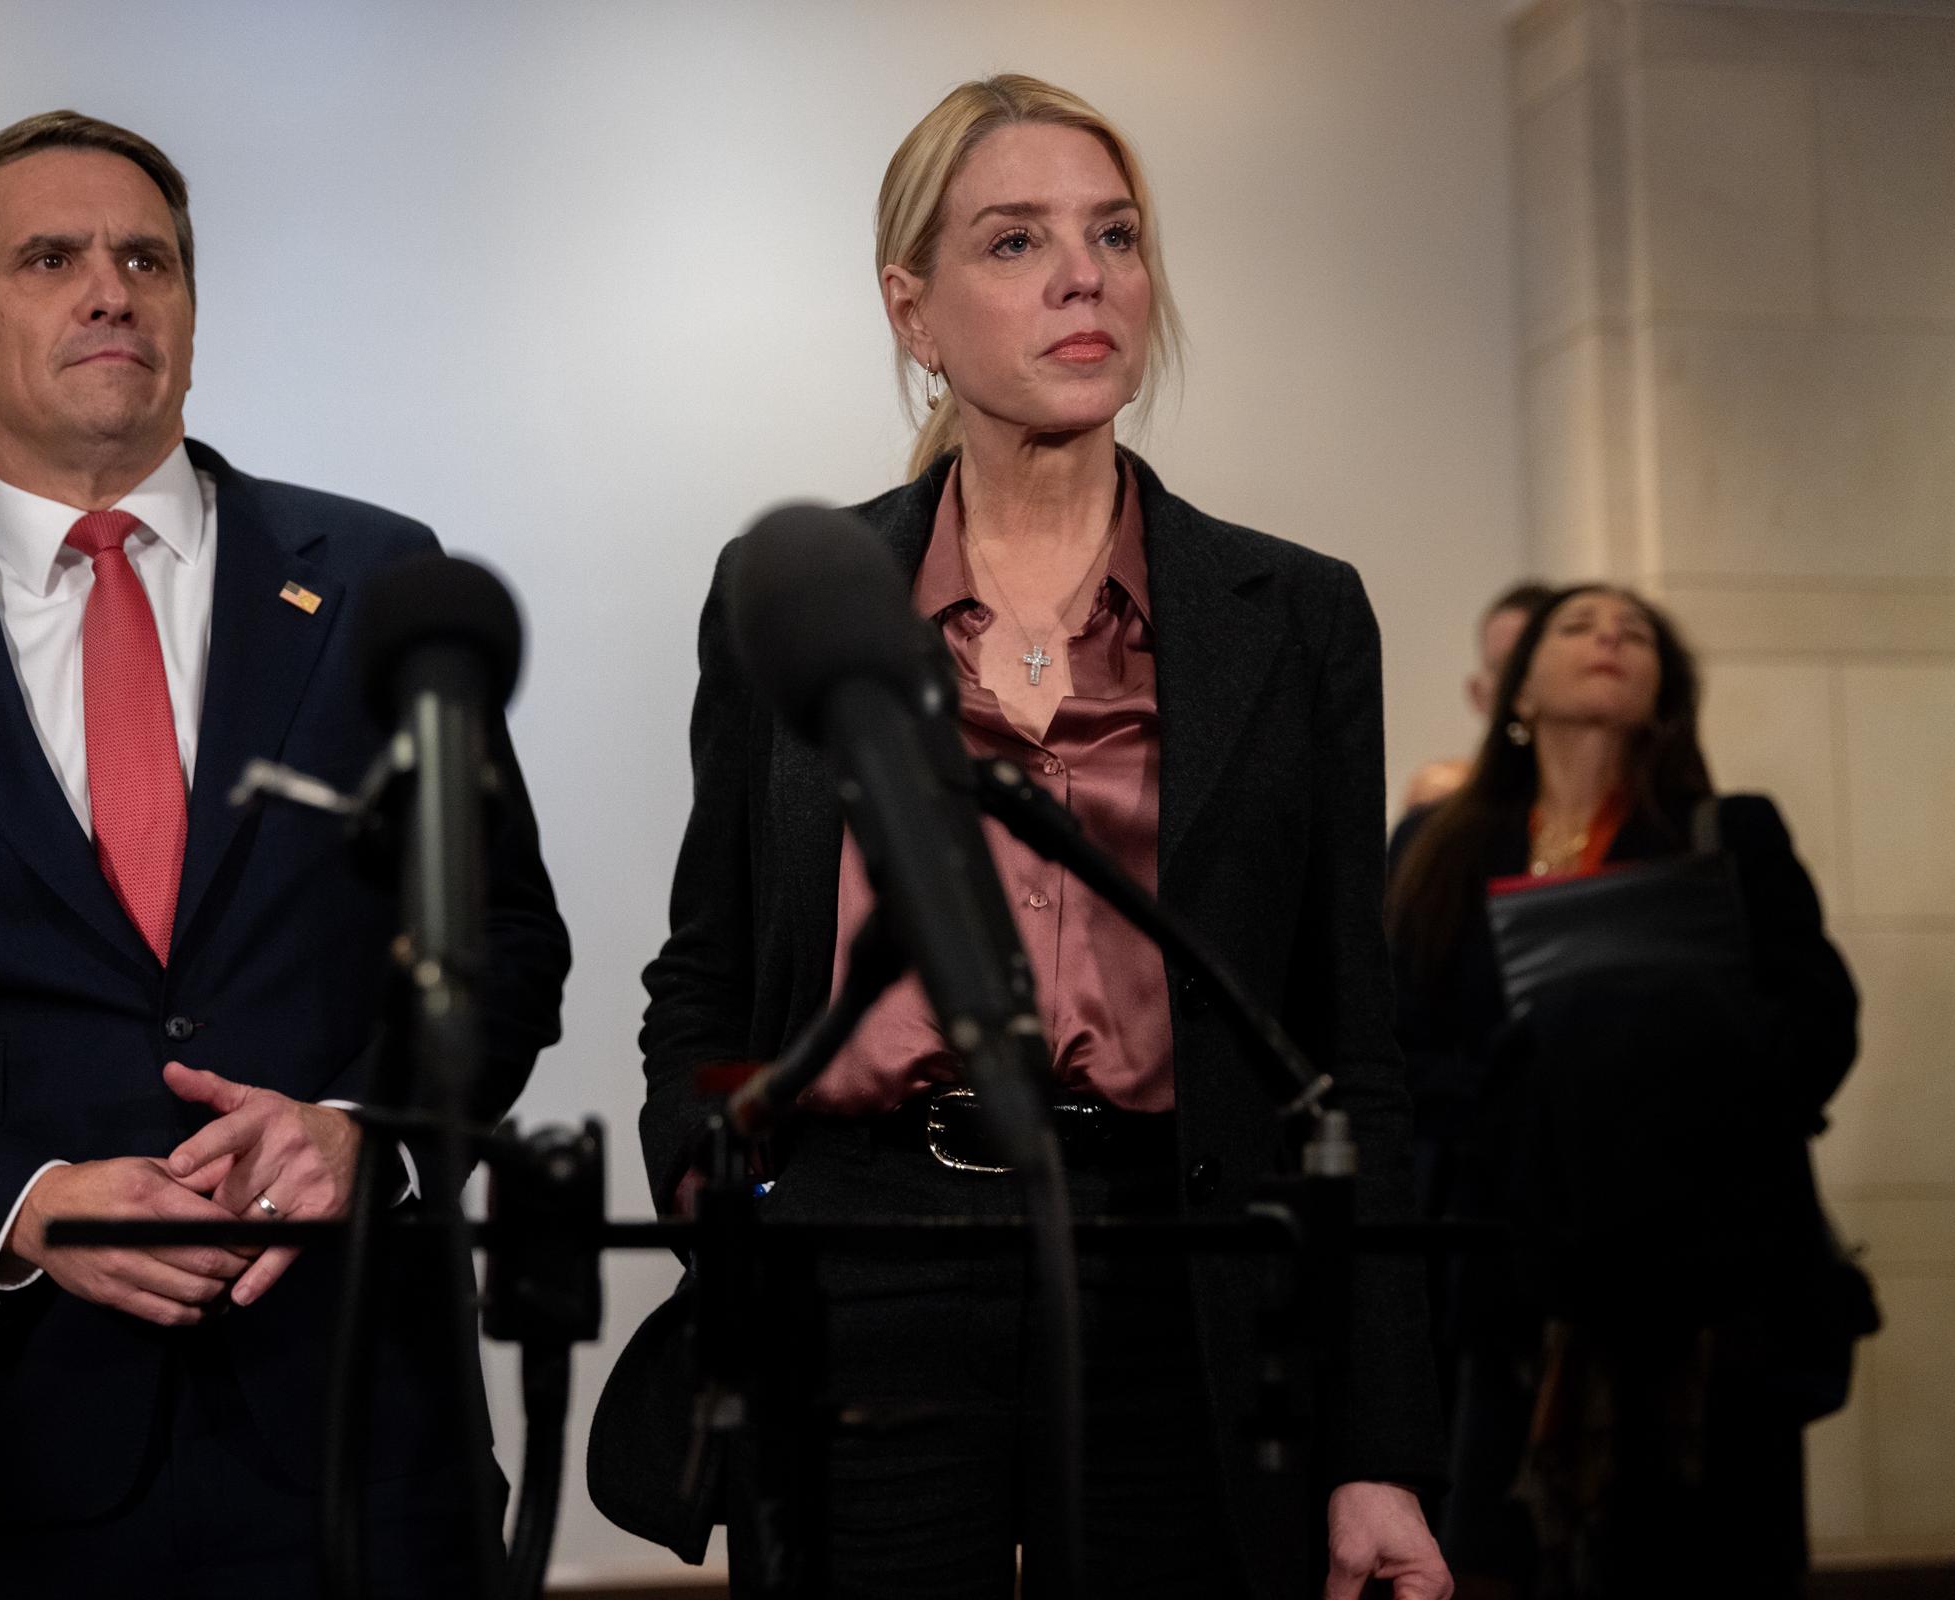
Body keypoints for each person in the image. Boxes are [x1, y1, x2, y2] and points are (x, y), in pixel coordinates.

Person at [0, 111, 569, 1594]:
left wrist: (371, 1134)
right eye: (52, 258)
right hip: (3, 1447)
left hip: (361, 1434)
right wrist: (20, 1207)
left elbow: (506, 948)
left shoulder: (379, 580)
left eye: (146, 259)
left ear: (188, 314)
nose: (112, 289)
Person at [600, 75, 1448, 1599]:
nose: (1085, 276)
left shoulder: (1298, 615)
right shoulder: (790, 592)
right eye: (1016, 241)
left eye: (1115, 235)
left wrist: (1380, 1441)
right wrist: (722, 1208)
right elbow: (707, 973)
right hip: (862, 1262)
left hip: (1178, 1264)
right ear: (911, 310)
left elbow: (1354, 1053)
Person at [1385, 586, 1858, 1597]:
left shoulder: (1726, 834)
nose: (1609, 638)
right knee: (1495, 1564)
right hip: (1504, 1278)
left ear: (1665, 698)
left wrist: (1654, 1083)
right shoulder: (1437, 847)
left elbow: (1818, 1028)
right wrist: (1533, 1099)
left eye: (1636, 633)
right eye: (1580, 626)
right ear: (1518, 692)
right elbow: (1392, 1049)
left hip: (1701, 1283)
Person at [1399, 582, 1555, 815]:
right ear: (1477, 694)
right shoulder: (1440, 807)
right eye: (1505, 669)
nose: (1521, 685)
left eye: (1529, 664)